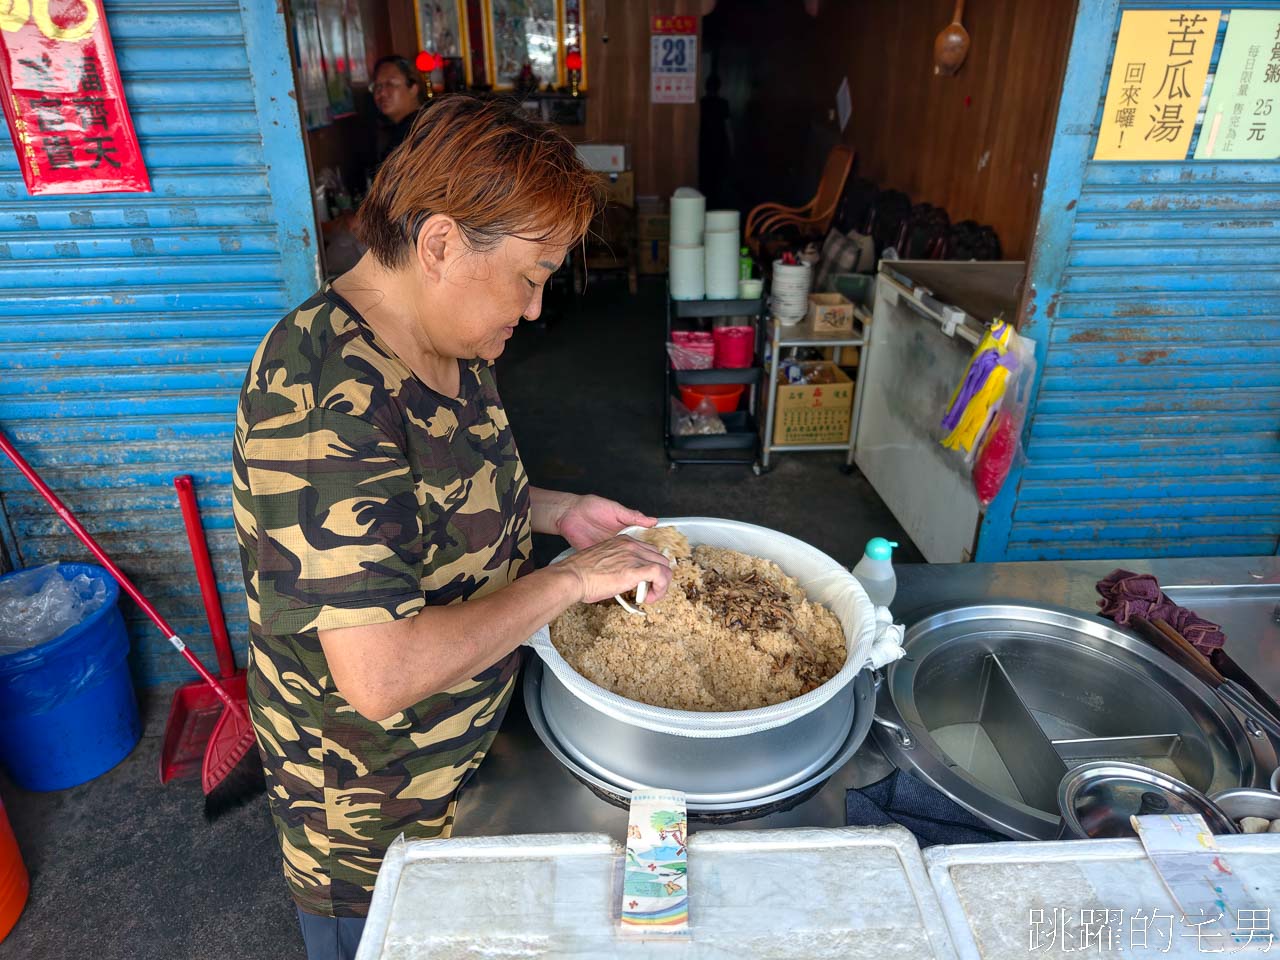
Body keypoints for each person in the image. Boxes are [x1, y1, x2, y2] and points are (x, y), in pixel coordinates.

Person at [232, 95, 674, 960]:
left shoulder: (446, 340)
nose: (537, 307)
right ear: (439, 246)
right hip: (379, 823)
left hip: (467, 763)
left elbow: (440, 492)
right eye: (531, 275)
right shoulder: (328, 399)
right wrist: (571, 581)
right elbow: (381, 673)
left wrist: (560, 514)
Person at [370, 55, 426, 166]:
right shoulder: (399, 130)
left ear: (413, 89)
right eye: (378, 86)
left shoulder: (423, 130)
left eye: (390, 84)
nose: (382, 93)